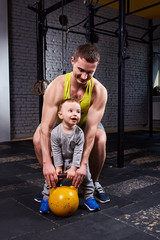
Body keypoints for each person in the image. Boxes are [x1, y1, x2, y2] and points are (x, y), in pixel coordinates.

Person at [33, 42, 110, 207]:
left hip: (84, 125)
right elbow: (46, 127)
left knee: (100, 138)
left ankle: (94, 182)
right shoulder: (57, 86)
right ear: (72, 61)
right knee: (38, 138)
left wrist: (82, 166)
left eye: (90, 72)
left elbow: (90, 131)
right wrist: (47, 164)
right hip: (61, 124)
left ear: (95, 69)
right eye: (81, 70)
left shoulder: (99, 91)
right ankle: (53, 179)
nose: (84, 77)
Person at [40, 98, 100, 213]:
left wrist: (74, 168)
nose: (75, 114)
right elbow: (56, 150)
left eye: (78, 112)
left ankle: (89, 197)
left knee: (86, 178)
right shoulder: (55, 133)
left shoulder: (80, 133)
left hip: (76, 161)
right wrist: (58, 167)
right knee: (51, 179)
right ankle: (46, 199)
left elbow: (78, 151)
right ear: (60, 115)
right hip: (61, 160)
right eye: (71, 111)